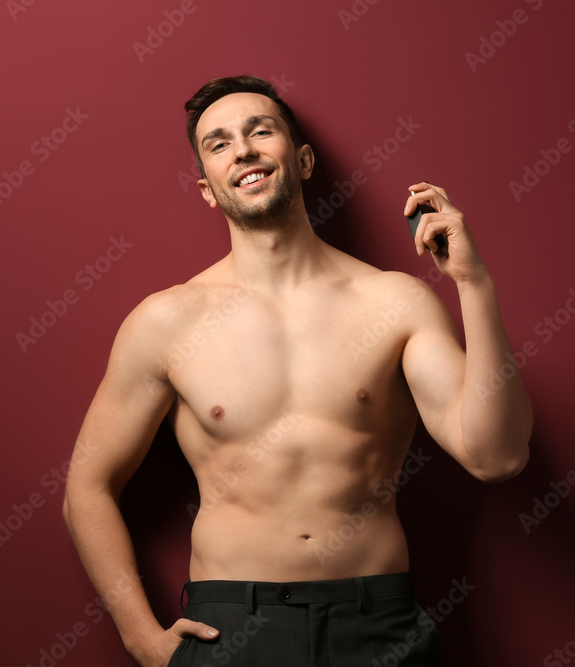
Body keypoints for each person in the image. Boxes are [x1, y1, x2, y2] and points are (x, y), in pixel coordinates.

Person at [62, 75, 533, 667]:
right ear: (207, 188)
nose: (244, 150)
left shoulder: (394, 302)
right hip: (230, 625)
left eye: (261, 131)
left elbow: (497, 456)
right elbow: (86, 487)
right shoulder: (167, 321)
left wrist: (473, 283)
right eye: (219, 143)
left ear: (303, 159)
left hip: (376, 622)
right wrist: (142, 637)